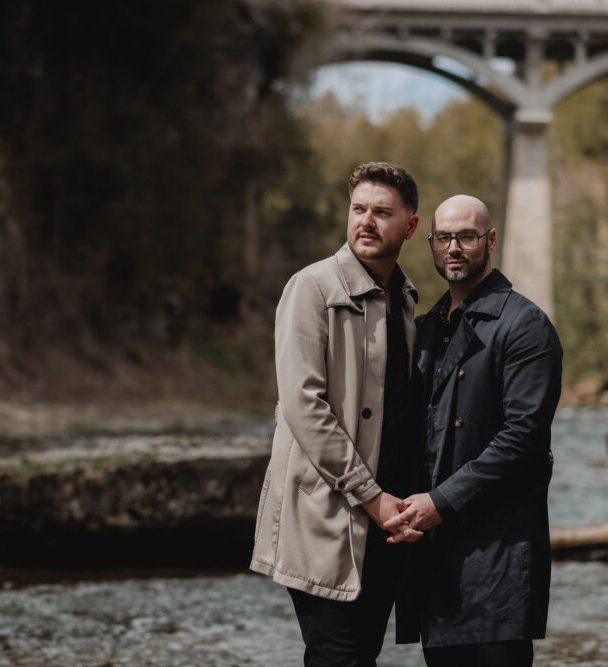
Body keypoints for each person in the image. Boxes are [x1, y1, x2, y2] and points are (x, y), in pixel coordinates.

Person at [250, 162, 425, 666]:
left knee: (360, 656)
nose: (366, 221)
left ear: (410, 226)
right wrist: (372, 497)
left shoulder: (406, 299)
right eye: (358, 209)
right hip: (327, 518)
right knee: (339, 656)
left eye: (382, 212)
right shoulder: (312, 288)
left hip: (387, 525)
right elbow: (304, 407)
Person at [385, 195, 562, 666]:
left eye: (466, 236)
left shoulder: (526, 326)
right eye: (443, 238)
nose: (454, 248)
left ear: (491, 240)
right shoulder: (423, 329)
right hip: (434, 564)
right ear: (431, 243)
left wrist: (439, 503)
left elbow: (522, 439)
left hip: (498, 564)